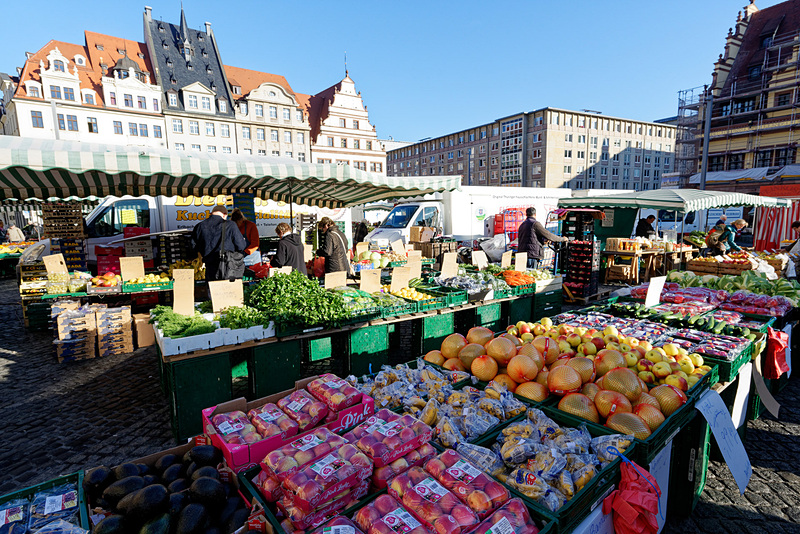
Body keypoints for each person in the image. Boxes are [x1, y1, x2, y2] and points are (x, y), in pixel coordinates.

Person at [191, 205, 247, 282]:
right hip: (228, 269)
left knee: (212, 292)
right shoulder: (230, 225)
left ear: (211, 213)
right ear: (225, 214)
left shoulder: (200, 226)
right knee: (228, 292)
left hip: (209, 269)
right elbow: (241, 246)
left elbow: (193, 247)